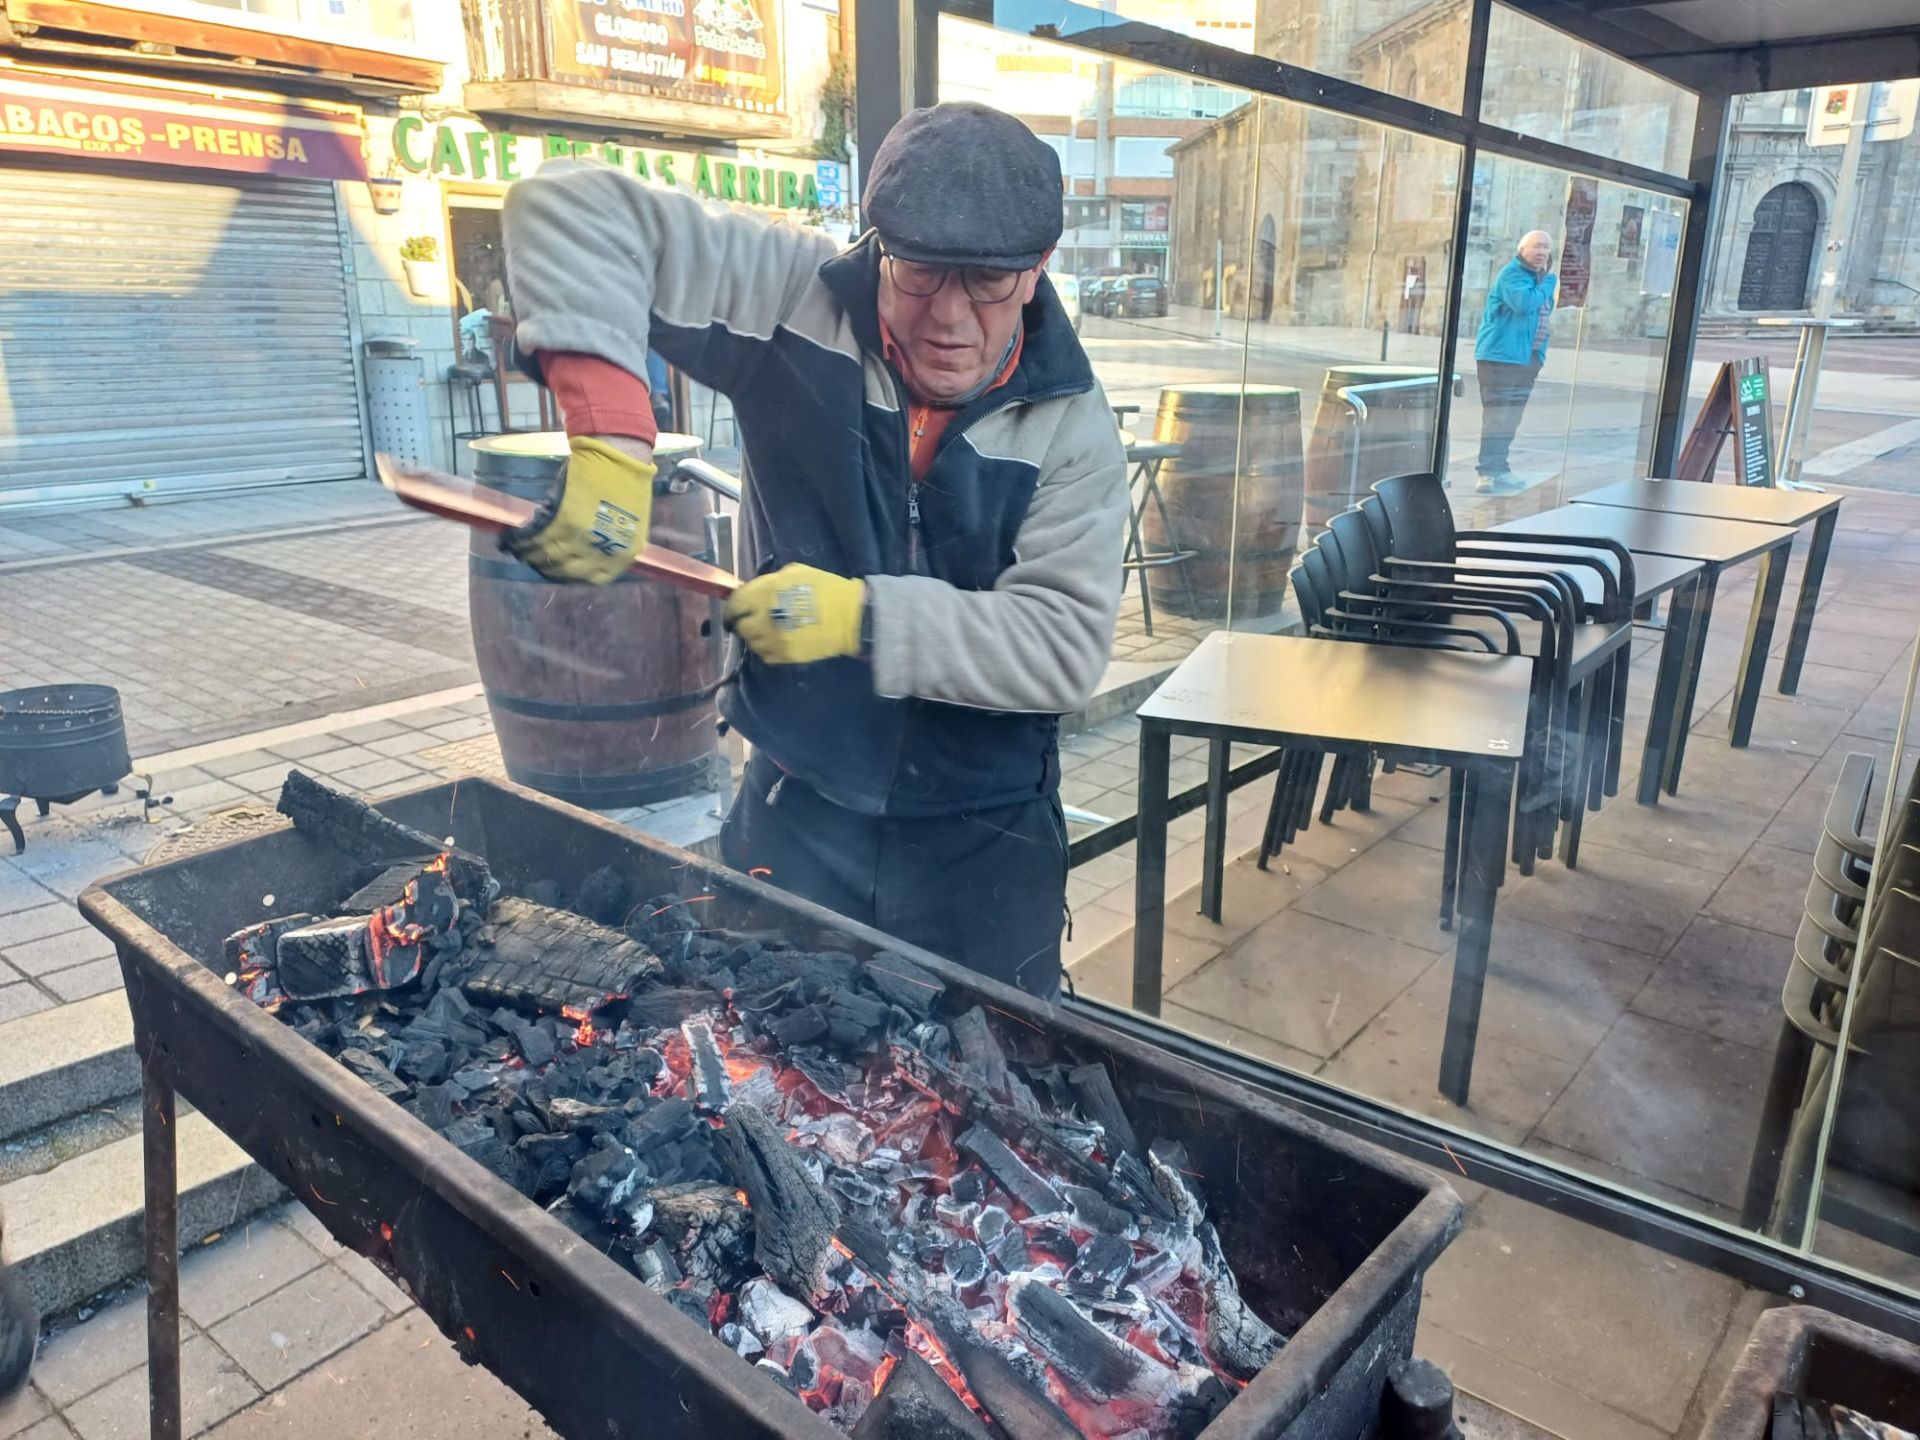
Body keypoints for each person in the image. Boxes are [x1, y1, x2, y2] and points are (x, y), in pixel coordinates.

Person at [499, 103, 1128, 1000]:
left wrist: (857, 617)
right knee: (759, 1077)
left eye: (988, 281)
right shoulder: (795, 297)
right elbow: (567, 206)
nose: (949, 317)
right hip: (793, 814)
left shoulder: (1071, 425)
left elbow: (1062, 649)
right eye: (916, 272)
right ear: (878, 246)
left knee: (995, 1102)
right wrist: (610, 439)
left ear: (1037, 272)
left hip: (981, 842)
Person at [1472, 229, 1557, 495]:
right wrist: (1549, 284)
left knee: (1511, 418)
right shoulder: (1512, 275)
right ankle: (1486, 473)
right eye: (1537, 246)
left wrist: (1538, 355)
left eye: (1546, 247)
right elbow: (1524, 304)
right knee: (1497, 418)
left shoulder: (1537, 278)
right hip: (1500, 359)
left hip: (1525, 360)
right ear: (1522, 250)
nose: (1542, 252)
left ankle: (1500, 469)